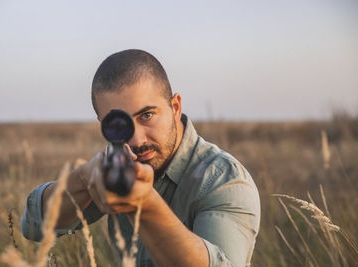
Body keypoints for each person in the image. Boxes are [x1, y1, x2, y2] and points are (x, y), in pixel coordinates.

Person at [21, 49, 260, 267]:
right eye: (118, 124)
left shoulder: (224, 180)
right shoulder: (117, 166)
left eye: (146, 115)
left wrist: (145, 202)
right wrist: (85, 178)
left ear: (175, 107)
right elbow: (33, 226)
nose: (135, 140)